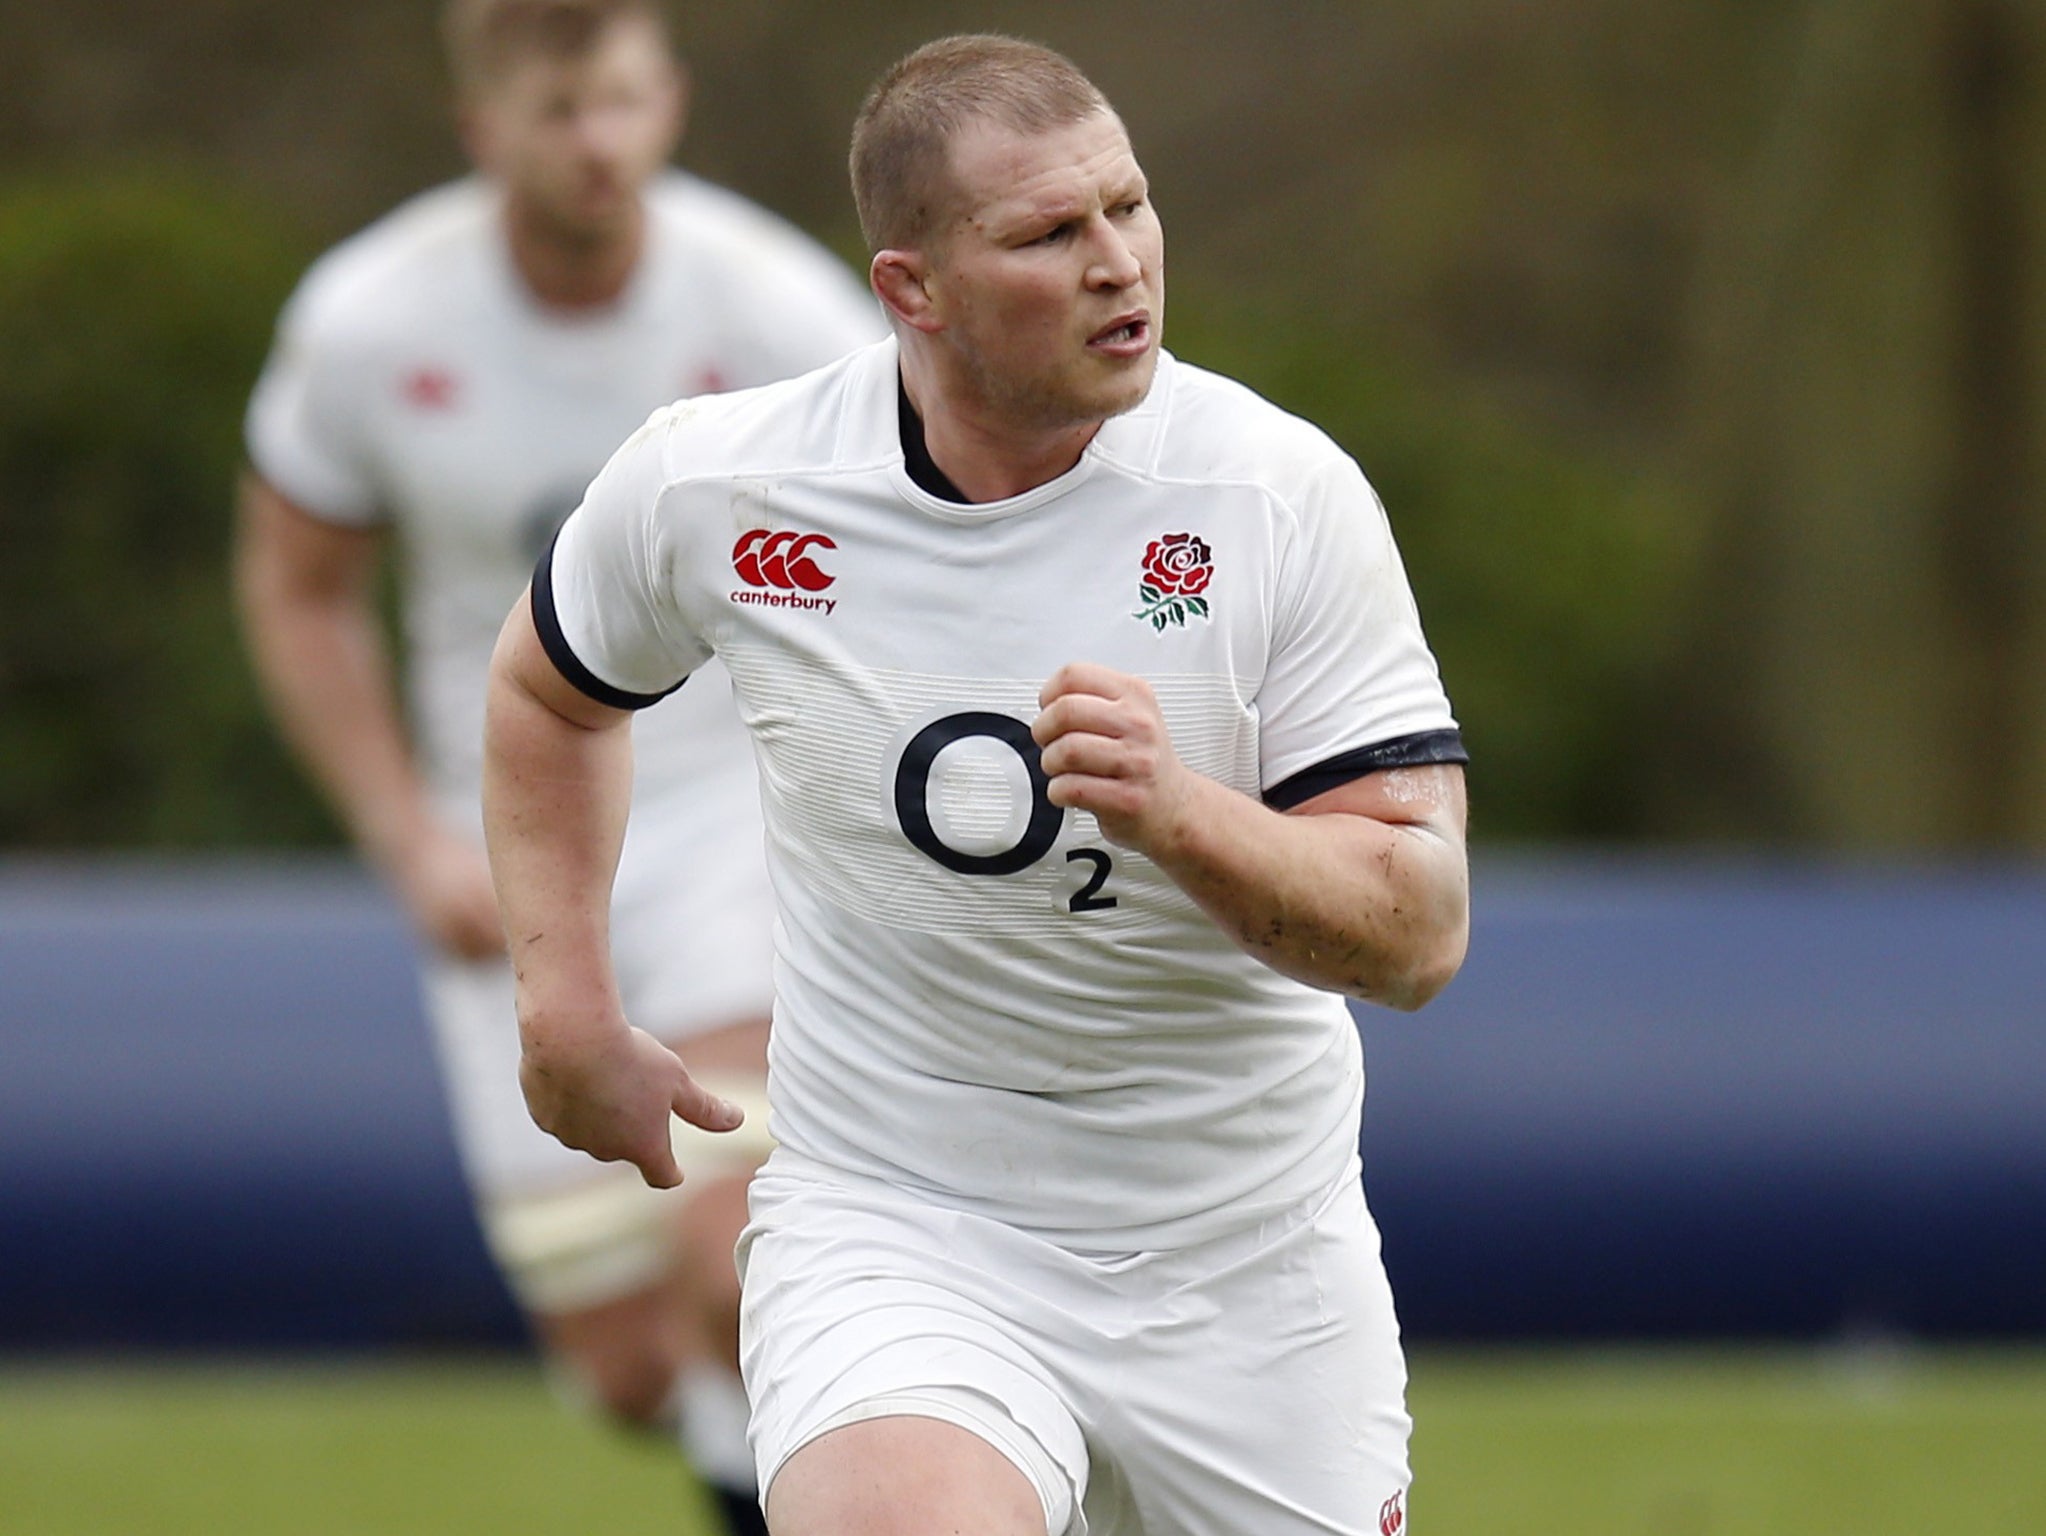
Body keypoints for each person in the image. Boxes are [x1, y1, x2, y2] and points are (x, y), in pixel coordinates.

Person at [483, 31, 1470, 1536]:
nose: (1118, 265)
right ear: (909, 291)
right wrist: (564, 1005)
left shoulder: (1272, 497)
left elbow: (1416, 934)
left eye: (1128, 208)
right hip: (899, 1226)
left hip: (1242, 1256)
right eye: (1049, 233)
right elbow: (546, 690)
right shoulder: (724, 484)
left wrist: (1180, 811)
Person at [232, 3, 883, 1530]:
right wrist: (406, 839)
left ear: (671, 102)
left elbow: (912, 545)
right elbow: (298, 586)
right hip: (505, 849)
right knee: (627, 1370)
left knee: (742, 1268)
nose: (598, 143)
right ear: (485, 132)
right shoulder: (368, 321)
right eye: (559, 112)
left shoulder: (776, 306)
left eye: (624, 102)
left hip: (738, 818)